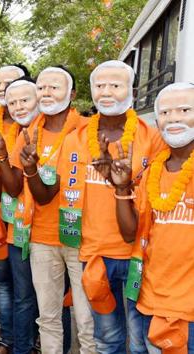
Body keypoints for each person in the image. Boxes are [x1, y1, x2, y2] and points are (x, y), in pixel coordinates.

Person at [55, 60, 164, 353]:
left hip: (139, 254)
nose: (106, 92)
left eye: (115, 85)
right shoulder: (75, 139)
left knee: (141, 341)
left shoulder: (152, 137)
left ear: (131, 89)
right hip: (95, 256)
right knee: (107, 339)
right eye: (100, 86)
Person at [0, 67, 96, 353]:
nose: (47, 93)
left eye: (55, 87)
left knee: (87, 321)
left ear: (72, 94)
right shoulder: (29, 133)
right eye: (42, 88)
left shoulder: (88, 130)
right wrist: (5, 158)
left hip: (81, 239)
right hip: (40, 237)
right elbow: (17, 186)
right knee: (48, 318)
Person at [112, 82, 194, 353]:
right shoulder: (152, 172)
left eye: (184, 109)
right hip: (147, 299)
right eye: (166, 113)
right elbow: (129, 233)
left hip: (188, 312)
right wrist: (122, 188)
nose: (174, 118)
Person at [0, 78, 42, 353]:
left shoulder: (48, 132)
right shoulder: (10, 134)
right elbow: (5, 189)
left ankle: (30, 344)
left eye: (24, 100)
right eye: (12, 101)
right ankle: (16, 342)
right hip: (14, 226)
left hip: (45, 231)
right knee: (17, 292)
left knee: (42, 299)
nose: (17, 106)